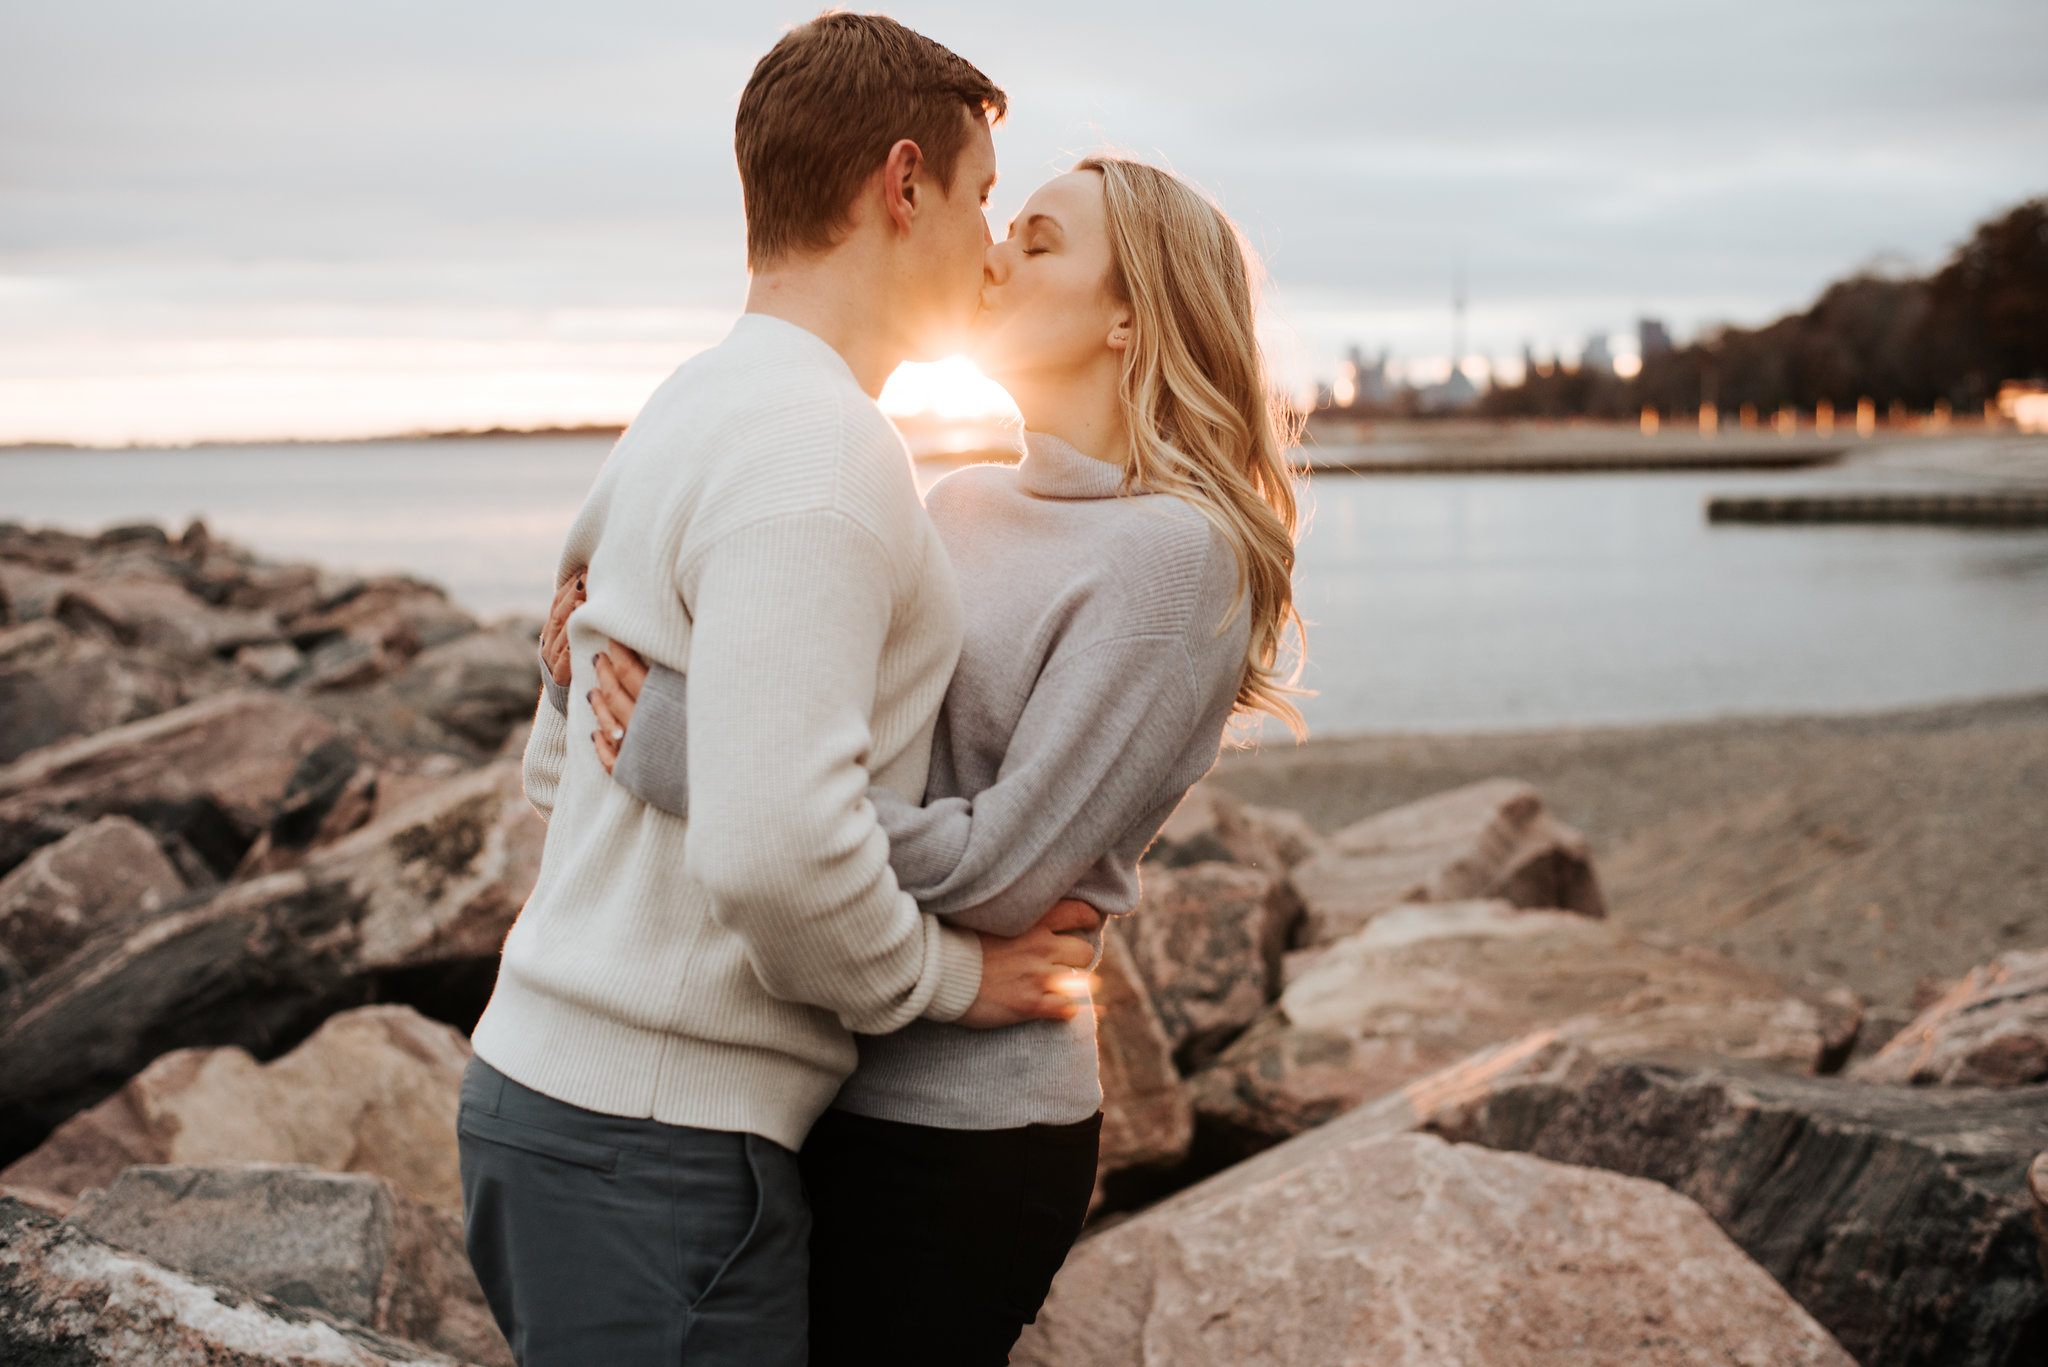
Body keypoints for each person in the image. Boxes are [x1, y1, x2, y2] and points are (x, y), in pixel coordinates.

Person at [556, 155, 1306, 1363]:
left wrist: (690, 755)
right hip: (821, 1071)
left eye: (1044, 239)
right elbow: (811, 720)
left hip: (965, 1137)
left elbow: (1009, 872)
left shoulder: (1178, 558)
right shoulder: (953, 501)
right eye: (1002, 225)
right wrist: (600, 629)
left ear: (1131, 314)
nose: (996, 253)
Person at [456, 17, 1096, 1367]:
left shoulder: (688, 403)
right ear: (902, 182)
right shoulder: (824, 448)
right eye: (985, 196)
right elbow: (775, 848)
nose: (992, 244)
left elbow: (559, 753)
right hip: (659, 1141)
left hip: (542, 1096)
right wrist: (954, 975)